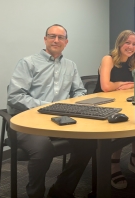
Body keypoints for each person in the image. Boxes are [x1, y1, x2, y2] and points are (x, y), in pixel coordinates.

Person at [7, 24, 96, 198]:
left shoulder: (70, 65)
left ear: (66, 42)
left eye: (60, 37)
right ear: (45, 39)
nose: (56, 40)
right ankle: (35, 193)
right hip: (28, 123)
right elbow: (15, 97)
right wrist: (48, 107)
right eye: (52, 36)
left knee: (90, 142)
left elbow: (79, 92)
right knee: (43, 148)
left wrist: (77, 104)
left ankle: (61, 190)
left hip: (62, 120)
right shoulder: (28, 63)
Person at [93, 30, 135, 190]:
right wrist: (122, 84)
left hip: (124, 101)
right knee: (122, 123)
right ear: (120, 43)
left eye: (134, 44)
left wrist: (126, 85)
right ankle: (114, 164)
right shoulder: (108, 59)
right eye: (127, 43)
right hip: (103, 103)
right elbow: (106, 86)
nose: (130, 47)